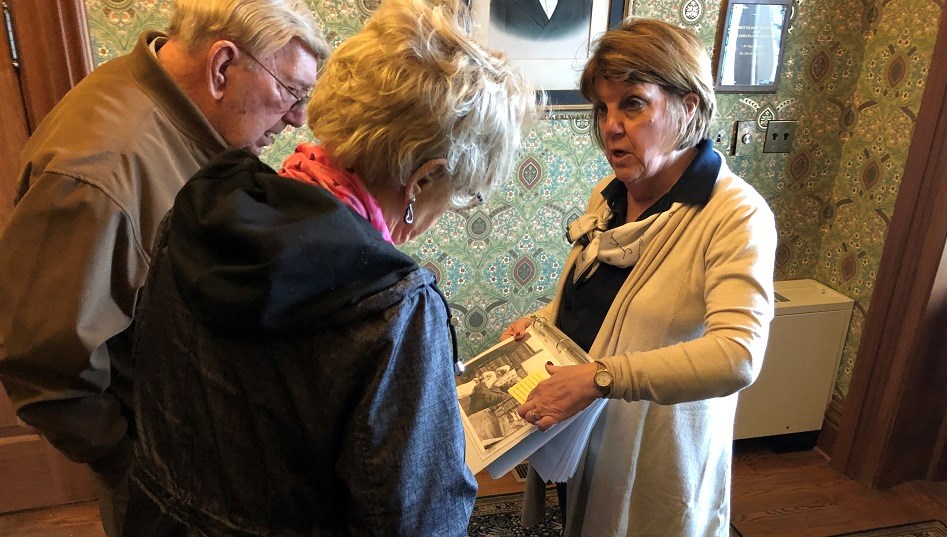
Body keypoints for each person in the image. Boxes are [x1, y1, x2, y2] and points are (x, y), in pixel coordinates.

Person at [124, 0, 542, 534]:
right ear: (423, 180)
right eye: (462, 195)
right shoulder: (392, 307)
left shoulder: (206, 199)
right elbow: (419, 520)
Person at [0, 1, 327, 535]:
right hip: (165, 480)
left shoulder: (171, 102)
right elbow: (44, 372)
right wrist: (136, 466)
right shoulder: (101, 175)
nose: (297, 118)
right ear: (222, 67)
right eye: (290, 92)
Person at [501, 18, 777, 536]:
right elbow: (607, 304)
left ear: (688, 105)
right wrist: (540, 323)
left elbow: (738, 354)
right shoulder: (610, 193)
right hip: (582, 428)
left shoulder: (736, 215)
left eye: (632, 103)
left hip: (654, 451)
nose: (610, 124)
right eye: (602, 107)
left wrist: (603, 377)